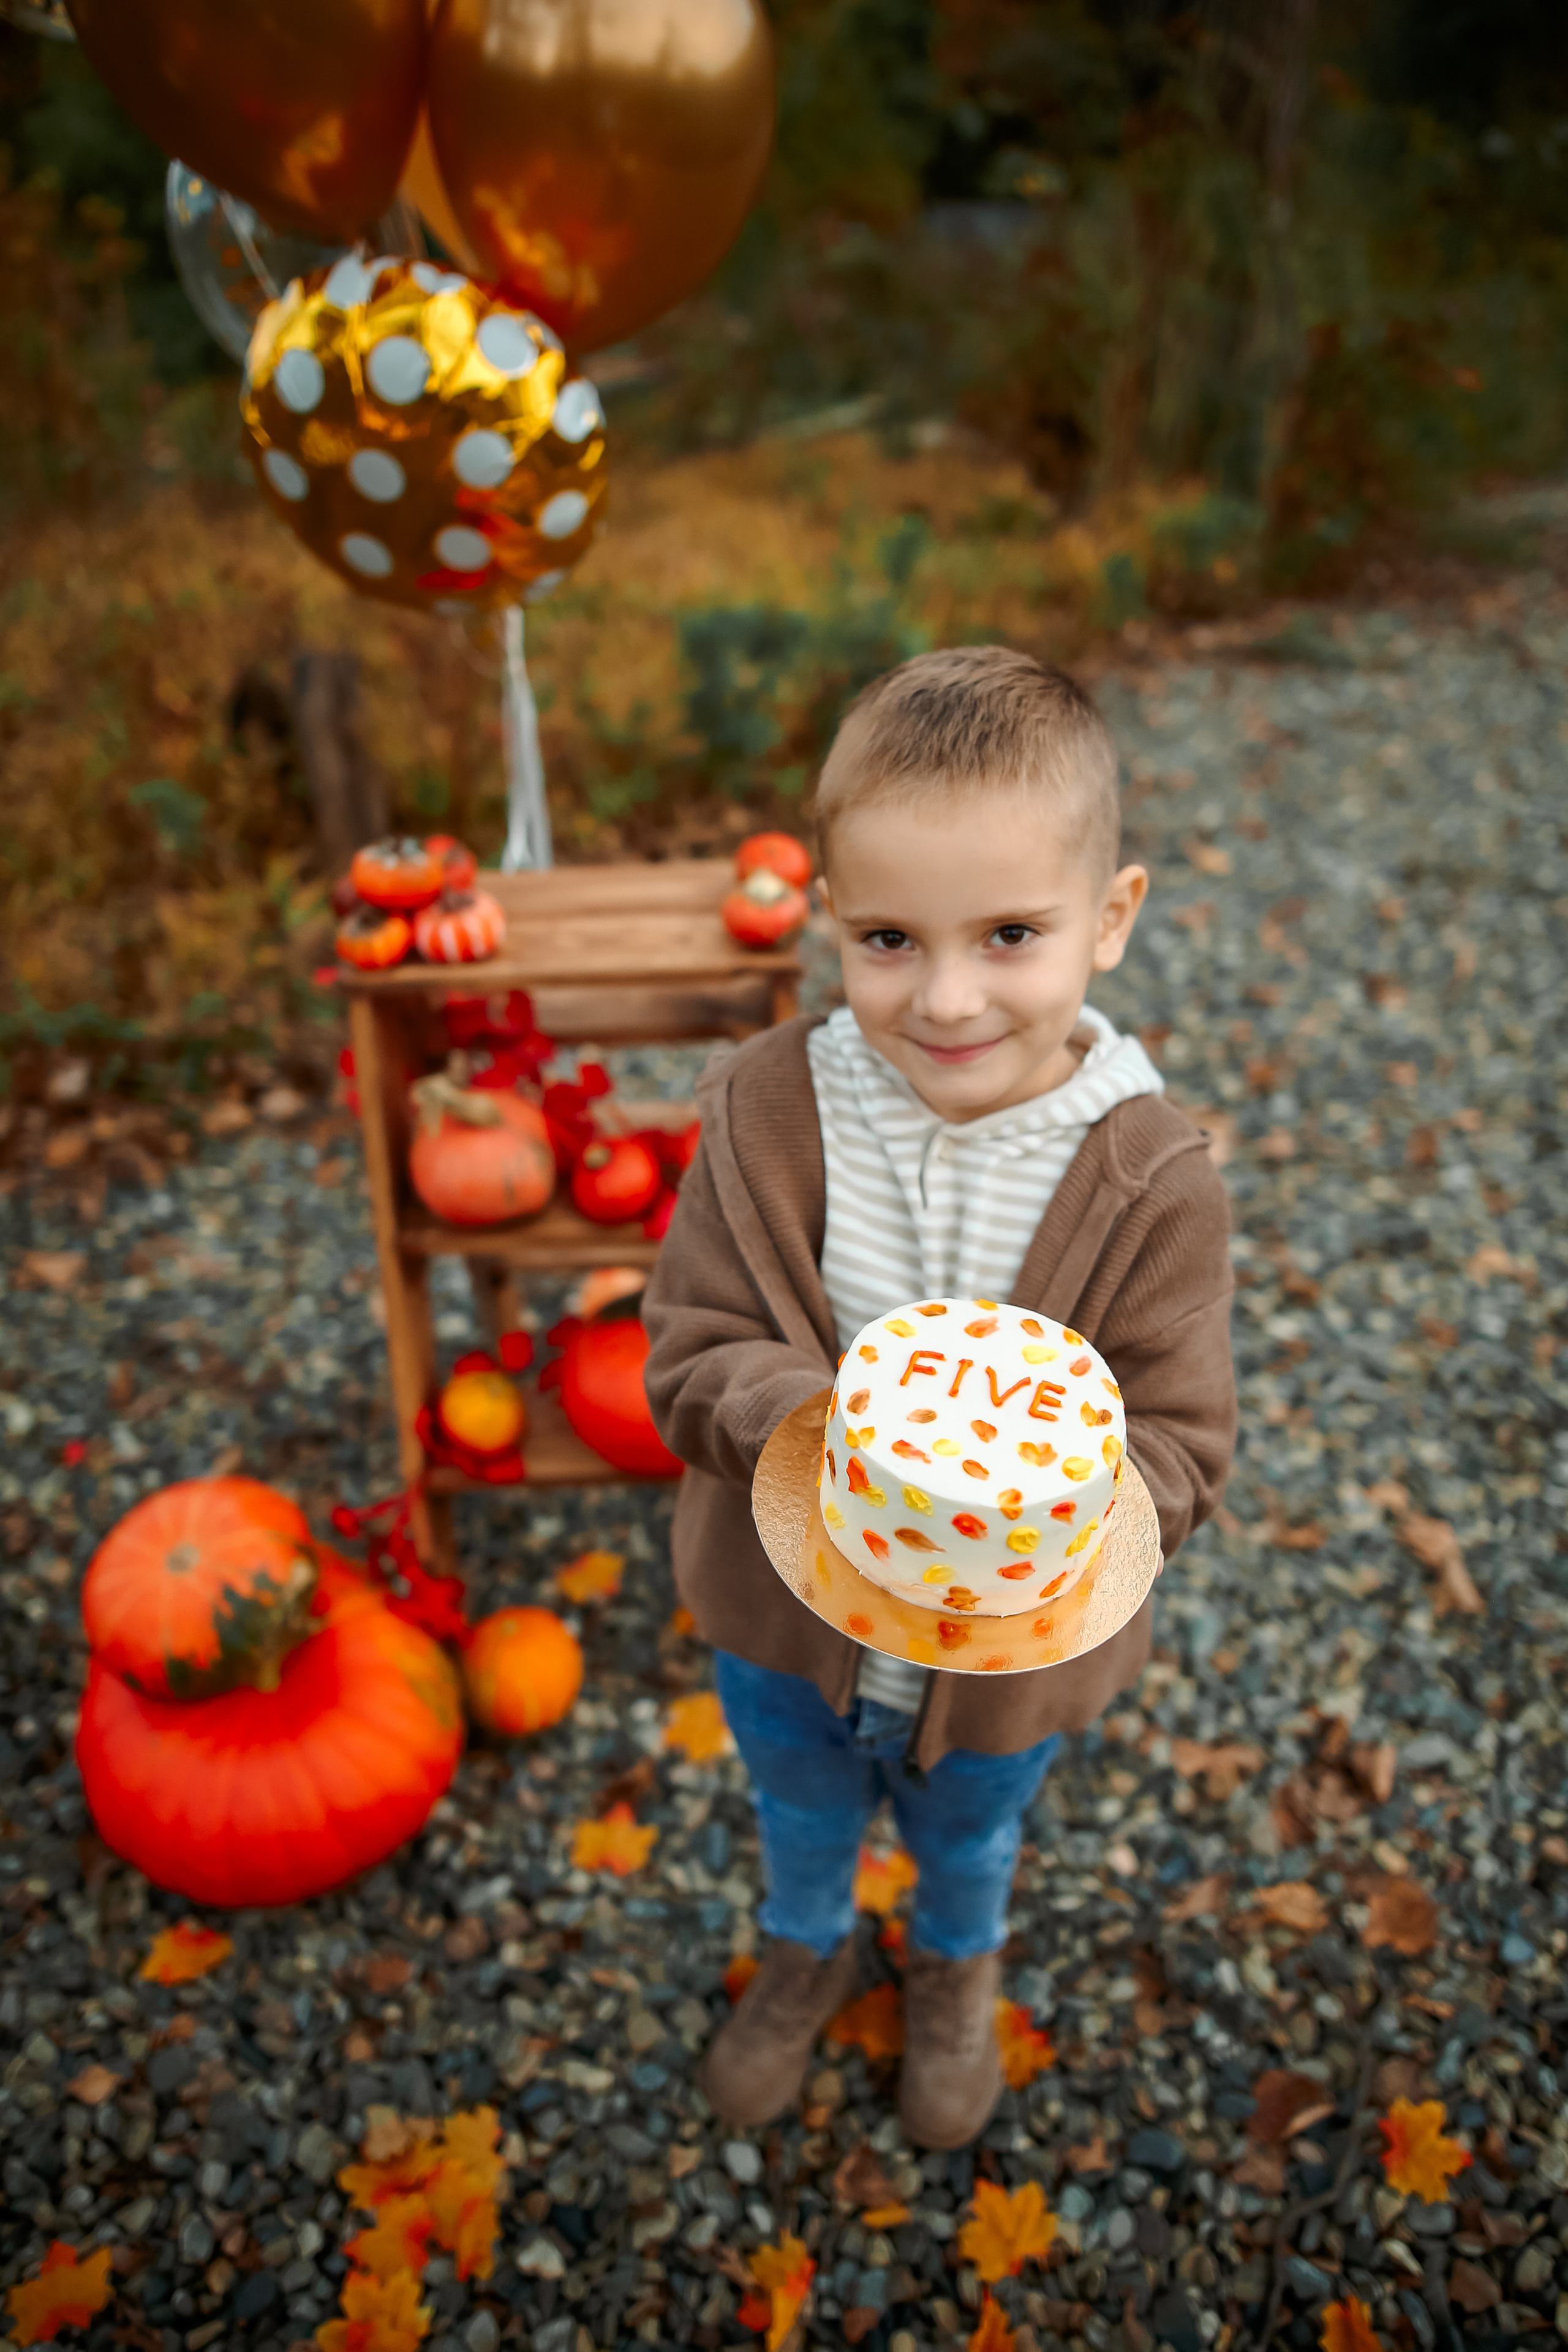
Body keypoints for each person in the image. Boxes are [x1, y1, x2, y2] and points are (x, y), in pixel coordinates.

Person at [643, 645, 1236, 2149]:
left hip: (997, 1664)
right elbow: (687, 1346)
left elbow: (1181, 1439)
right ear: (831, 917)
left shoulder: (1145, 1176)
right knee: (797, 1802)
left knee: (970, 1832)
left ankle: (954, 1970)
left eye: (1011, 935)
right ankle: (806, 1946)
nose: (949, 996)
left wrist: (1075, 1504)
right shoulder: (772, 1113)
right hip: (791, 1616)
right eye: (892, 939)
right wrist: (814, 1416)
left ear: (1108, 924)